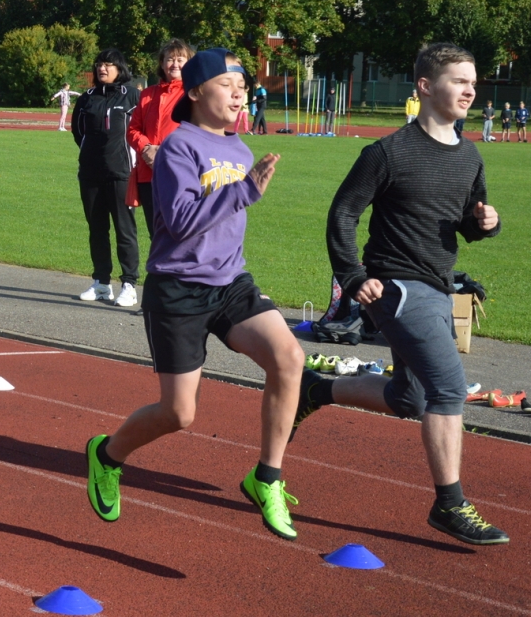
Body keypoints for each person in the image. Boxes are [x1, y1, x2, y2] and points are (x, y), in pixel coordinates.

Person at [85, 47, 303, 540]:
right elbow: (179, 224)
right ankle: (107, 454)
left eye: (243, 86)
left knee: (289, 358)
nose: (239, 92)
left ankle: (266, 476)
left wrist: (242, 189)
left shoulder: (241, 149)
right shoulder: (179, 147)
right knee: (179, 414)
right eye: (229, 84)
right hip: (178, 289)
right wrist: (242, 192)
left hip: (230, 283)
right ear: (199, 90)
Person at [295, 43, 508, 547]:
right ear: (425, 87)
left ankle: (316, 390)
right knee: (450, 389)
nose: (470, 88)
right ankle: (449, 504)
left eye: (473, 80)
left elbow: (462, 222)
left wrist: (486, 224)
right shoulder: (387, 152)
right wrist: (352, 275)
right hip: (395, 288)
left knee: (409, 397)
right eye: (459, 80)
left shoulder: (470, 154)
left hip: (438, 286)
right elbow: (343, 213)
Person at [72, 48, 140, 307]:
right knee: (97, 230)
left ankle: (129, 284)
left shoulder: (133, 96)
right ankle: (101, 283)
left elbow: (138, 129)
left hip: (122, 174)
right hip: (90, 173)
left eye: (109, 64)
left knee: (125, 231)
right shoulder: (87, 97)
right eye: (99, 64)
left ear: (120, 68)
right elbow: (79, 131)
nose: (102, 68)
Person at [127, 39, 192, 240]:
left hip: (179, 172)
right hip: (148, 174)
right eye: (170, 59)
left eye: (180, 59)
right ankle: (159, 272)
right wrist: (147, 148)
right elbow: (133, 129)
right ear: (162, 64)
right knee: (155, 233)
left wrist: (163, 153)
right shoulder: (147, 94)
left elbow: (195, 131)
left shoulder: (193, 94)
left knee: (179, 232)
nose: (175, 64)